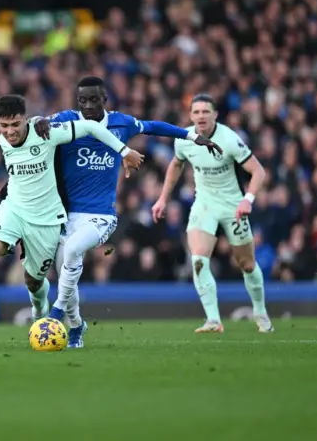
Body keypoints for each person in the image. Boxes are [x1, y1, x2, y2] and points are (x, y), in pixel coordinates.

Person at [0, 94, 145, 343]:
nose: (10, 132)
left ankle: (39, 314)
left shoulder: (46, 132)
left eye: (15, 124)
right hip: (13, 210)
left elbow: (89, 126)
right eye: (4, 126)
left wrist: (124, 150)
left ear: (25, 119)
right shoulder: (3, 139)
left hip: (46, 219)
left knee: (33, 282)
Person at [32, 76, 222, 348]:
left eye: (93, 99)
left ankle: (56, 313)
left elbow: (154, 126)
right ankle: (77, 326)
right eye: (82, 100)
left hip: (101, 216)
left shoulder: (121, 123)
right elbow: (39, 122)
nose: (87, 105)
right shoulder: (66, 119)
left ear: (104, 100)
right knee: (67, 274)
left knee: (73, 252)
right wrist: (39, 118)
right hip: (65, 216)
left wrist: (193, 136)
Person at [152, 94, 273, 333]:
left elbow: (258, 171)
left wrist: (248, 200)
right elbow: (176, 165)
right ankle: (213, 319)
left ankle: (261, 312)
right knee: (198, 259)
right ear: (190, 116)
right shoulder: (183, 139)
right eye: (196, 112)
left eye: (206, 112)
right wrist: (163, 198)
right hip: (204, 204)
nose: (201, 116)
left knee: (247, 264)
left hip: (232, 205)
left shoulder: (229, 139)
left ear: (215, 114)